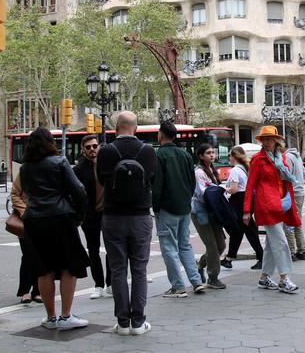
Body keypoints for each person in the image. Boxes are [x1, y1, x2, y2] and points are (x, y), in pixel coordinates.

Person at [20, 127, 89, 331]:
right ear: (50, 142)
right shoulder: (60, 162)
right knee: (69, 266)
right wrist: (79, 216)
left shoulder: (25, 168)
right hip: (60, 219)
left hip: (34, 221)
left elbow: (26, 193)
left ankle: (51, 318)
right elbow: (79, 190)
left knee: (44, 269)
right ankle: (66, 315)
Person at [97, 112, 156, 336]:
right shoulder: (148, 151)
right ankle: (138, 322)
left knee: (118, 269)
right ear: (136, 127)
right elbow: (153, 180)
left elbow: (101, 180)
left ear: (116, 127)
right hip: (140, 216)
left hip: (112, 217)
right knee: (139, 270)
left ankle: (122, 323)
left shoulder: (106, 151)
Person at [244, 125, 301, 294]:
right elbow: (250, 186)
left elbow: (286, 181)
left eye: (270, 139)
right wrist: (247, 210)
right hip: (267, 206)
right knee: (281, 242)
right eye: (264, 139)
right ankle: (284, 278)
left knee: (272, 243)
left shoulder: (280, 159)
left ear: (276, 141)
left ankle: (264, 277)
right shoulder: (257, 159)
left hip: (281, 203)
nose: (267, 142)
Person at [153, 121, 206, 297]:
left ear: (161, 134)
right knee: (185, 245)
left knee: (169, 247)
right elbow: (192, 182)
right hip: (184, 206)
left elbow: (158, 184)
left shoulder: (160, 155)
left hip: (167, 207)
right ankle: (196, 281)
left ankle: (178, 285)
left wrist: (156, 207)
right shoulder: (185, 155)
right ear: (174, 136)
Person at [73, 134, 111, 300]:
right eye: (88, 147)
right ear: (83, 151)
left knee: (112, 249)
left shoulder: (107, 165)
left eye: (95, 146)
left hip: (108, 213)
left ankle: (110, 283)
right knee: (93, 251)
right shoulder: (78, 170)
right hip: (89, 216)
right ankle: (98, 284)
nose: (92, 149)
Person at [190, 143, 228, 290]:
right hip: (201, 212)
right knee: (212, 246)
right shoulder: (198, 172)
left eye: (213, 152)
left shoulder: (213, 170)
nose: (212, 155)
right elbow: (202, 193)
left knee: (221, 245)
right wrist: (220, 189)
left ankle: (201, 264)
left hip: (214, 212)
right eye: (208, 153)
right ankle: (213, 277)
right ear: (200, 156)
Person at [221, 146, 263, 271]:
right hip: (246, 200)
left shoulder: (234, 170)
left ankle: (262, 257)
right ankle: (229, 258)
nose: (229, 158)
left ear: (234, 157)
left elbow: (233, 189)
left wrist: (222, 188)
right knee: (238, 230)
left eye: (230, 155)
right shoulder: (245, 168)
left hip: (239, 201)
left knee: (248, 231)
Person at [10, 172, 41, 304]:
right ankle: (25, 291)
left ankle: (38, 290)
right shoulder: (25, 171)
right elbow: (15, 194)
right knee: (28, 255)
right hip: (26, 220)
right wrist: (26, 211)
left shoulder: (49, 168)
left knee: (40, 255)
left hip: (43, 218)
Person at [283, 146, 305, 261]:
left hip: (293, 192)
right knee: (297, 222)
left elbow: (286, 175)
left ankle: (291, 251)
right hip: (300, 192)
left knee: (289, 222)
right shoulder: (298, 157)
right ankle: (301, 250)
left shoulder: (287, 157)